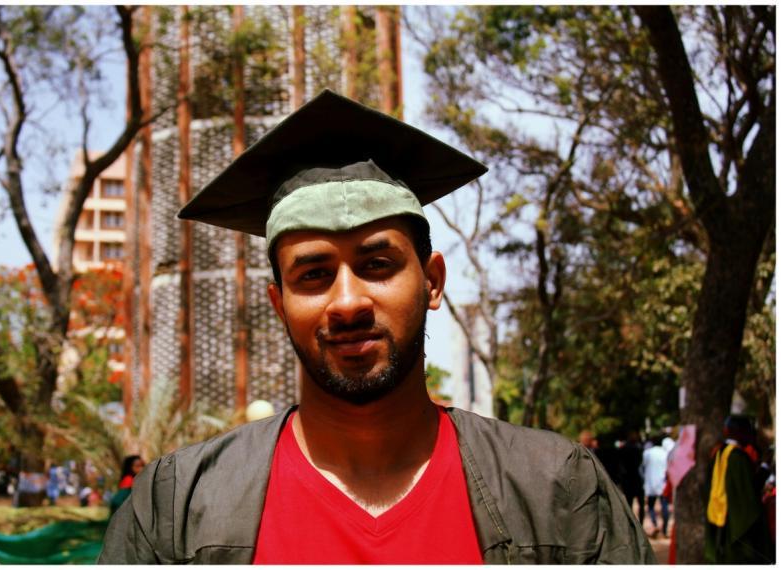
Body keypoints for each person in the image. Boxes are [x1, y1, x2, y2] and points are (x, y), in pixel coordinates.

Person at [98, 90, 653, 564]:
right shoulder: (178, 508)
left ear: (433, 282)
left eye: (377, 265)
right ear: (278, 302)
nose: (346, 302)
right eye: (313, 274)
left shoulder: (557, 491)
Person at [705, 415, 773, 564]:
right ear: (740, 432)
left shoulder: (719, 452)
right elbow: (749, 491)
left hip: (721, 515)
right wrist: (764, 468)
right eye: (749, 431)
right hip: (737, 522)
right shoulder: (737, 457)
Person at [642, 435, 669, 537]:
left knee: (651, 506)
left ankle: (654, 523)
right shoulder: (665, 453)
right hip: (662, 483)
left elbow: (643, 467)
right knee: (664, 506)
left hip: (650, 483)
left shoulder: (647, 453)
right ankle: (665, 529)